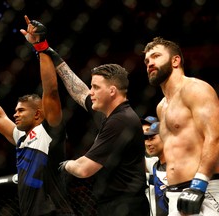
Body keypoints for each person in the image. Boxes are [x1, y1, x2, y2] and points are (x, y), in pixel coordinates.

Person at [20, 16, 150, 216]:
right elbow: (78, 91)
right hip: (115, 205)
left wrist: (64, 165)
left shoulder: (120, 120)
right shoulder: (109, 114)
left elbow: (83, 169)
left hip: (126, 207)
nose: (91, 92)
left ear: (113, 91)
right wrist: (44, 47)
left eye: (96, 87)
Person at [0, 35, 75, 215]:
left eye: (21, 111)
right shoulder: (22, 137)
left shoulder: (49, 131)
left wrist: (41, 47)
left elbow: (51, 91)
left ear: (37, 113)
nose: (15, 114)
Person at [144, 36, 219, 215]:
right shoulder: (161, 106)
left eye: (156, 56)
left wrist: (199, 185)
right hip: (174, 193)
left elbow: (215, 136)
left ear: (175, 60)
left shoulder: (195, 89)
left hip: (204, 189)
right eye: (146, 60)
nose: (149, 63)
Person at [144, 121, 168, 216]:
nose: (148, 143)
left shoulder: (179, 164)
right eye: (146, 139)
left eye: (152, 138)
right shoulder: (154, 165)